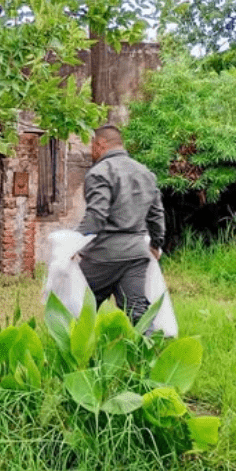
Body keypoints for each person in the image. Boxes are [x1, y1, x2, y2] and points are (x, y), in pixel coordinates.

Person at [77, 124, 165, 324]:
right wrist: (155, 244)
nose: (91, 151)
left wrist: (75, 244)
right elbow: (156, 214)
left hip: (103, 254)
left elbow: (96, 216)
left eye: (92, 146)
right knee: (138, 312)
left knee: (79, 308)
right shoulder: (145, 173)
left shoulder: (99, 172)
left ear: (100, 144)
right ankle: (146, 353)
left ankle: (77, 354)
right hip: (136, 254)